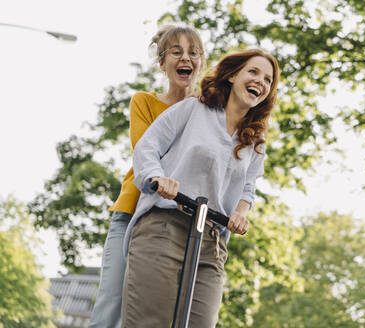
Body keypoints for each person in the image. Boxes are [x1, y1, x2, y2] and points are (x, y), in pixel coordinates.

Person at [121, 48, 280, 327]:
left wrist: (241, 212)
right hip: (165, 225)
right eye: (253, 72)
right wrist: (159, 178)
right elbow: (148, 146)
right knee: (149, 322)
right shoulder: (195, 108)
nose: (261, 82)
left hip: (211, 241)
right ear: (232, 76)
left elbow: (248, 188)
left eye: (268, 79)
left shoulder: (255, 140)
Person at [89, 24, 206, 328]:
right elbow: (146, 151)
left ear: (201, 62)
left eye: (194, 53)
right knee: (112, 301)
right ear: (162, 62)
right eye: (177, 52)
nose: (186, 58)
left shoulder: (206, 111)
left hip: (178, 220)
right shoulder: (144, 101)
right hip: (132, 210)